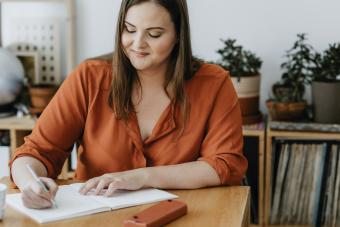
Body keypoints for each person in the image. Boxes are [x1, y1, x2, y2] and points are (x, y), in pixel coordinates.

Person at [10, 0, 248, 209]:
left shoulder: (214, 83)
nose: (137, 44)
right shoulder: (89, 78)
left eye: (154, 34)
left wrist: (141, 177)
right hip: (96, 217)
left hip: (182, 215)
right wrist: (31, 184)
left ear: (178, 35)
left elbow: (223, 164)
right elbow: (37, 152)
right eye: (129, 29)